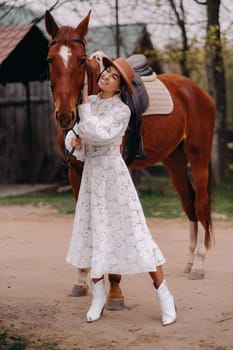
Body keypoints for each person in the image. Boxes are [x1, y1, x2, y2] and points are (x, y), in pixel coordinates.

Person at [65, 56, 176, 326]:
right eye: (107, 71)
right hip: (92, 178)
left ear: (120, 87)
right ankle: (98, 296)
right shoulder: (89, 104)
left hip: (114, 179)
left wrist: (83, 111)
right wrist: (75, 140)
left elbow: (100, 134)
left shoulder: (121, 111)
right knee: (94, 234)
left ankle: (165, 296)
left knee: (136, 235)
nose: (105, 76)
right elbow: (74, 135)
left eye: (113, 76)